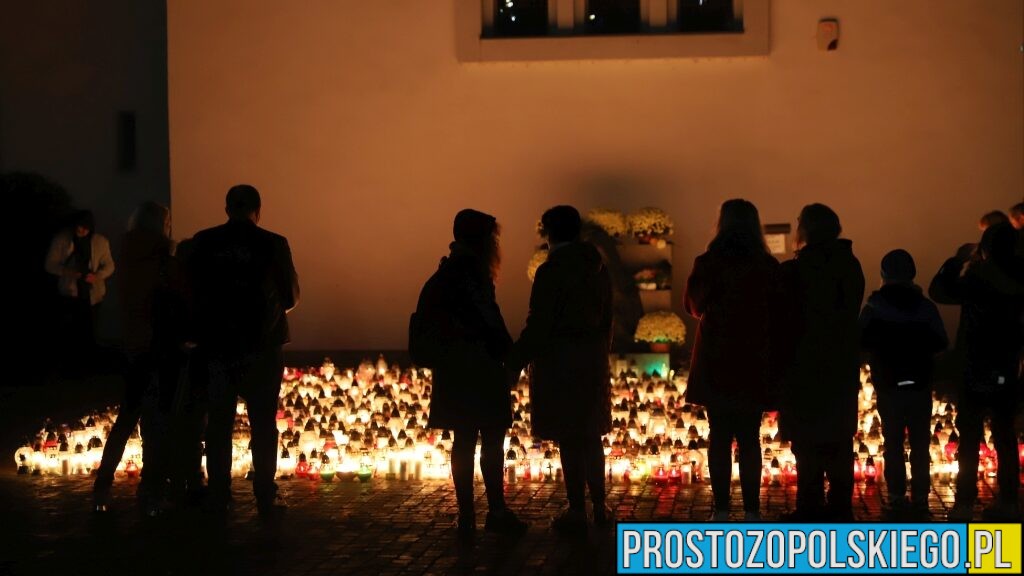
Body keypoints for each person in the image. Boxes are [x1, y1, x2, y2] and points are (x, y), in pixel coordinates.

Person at [413, 209, 526, 538]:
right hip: (480, 367)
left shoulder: (447, 271)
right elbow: (489, 319)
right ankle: (497, 511)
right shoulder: (472, 273)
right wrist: (512, 354)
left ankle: (466, 516)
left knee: (463, 441)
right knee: (492, 440)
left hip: (453, 369)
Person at [189, 185, 299, 518]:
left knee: (219, 423)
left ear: (226, 209)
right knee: (263, 423)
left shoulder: (204, 242)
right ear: (257, 210)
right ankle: (265, 492)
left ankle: (220, 493)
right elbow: (290, 296)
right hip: (262, 347)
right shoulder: (273, 244)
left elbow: (192, 291)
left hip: (217, 346)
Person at [510, 205, 614, 533]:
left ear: (549, 234)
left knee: (569, 438)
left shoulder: (551, 271)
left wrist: (516, 359)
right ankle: (600, 504)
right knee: (591, 435)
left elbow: (539, 323)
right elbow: (608, 318)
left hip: (559, 364)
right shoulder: (598, 269)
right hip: (592, 362)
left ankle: (576, 508)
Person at [684, 199, 779, 522]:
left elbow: (694, 306)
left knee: (720, 436)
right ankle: (752, 510)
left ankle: (722, 509)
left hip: (718, 357)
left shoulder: (709, 263)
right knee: (750, 437)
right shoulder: (767, 266)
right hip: (754, 357)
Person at [93, 202, 184, 515]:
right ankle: (151, 492)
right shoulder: (164, 262)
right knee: (156, 423)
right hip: (160, 349)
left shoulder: (128, 258)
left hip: (133, 348)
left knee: (127, 418)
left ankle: (102, 486)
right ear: (163, 225)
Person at [930, 222, 1024, 522]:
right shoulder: (1020, 276)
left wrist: (957, 260)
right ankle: (1009, 501)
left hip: (974, 366)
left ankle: (964, 503)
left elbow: (939, 291)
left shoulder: (977, 278)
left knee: (969, 438)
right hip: (1006, 366)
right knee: (1006, 436)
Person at [778, 203, 865, 521]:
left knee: (807, 443)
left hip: (804, 365)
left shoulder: (797, 270)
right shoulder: (850, 265)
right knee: (839, 440)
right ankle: (840, 506)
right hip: (840, 364)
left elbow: (784, 319)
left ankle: (809, 506)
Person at [859, 249, 947, 519]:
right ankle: (920, 497)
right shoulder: (925, 307)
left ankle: (896, 497)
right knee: (921, 443)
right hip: (919, 383)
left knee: (893, 442)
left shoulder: (874, 308)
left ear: (884, 274)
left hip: (888, 384)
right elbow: (941, 342)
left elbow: (860, 341)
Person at [44, 209, 115, 375]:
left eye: (84, 227)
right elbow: (49, 264)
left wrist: (97, 276)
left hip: (93, 295)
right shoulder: (63, 240)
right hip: (70, 295)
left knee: (90, 331)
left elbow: (109, 265)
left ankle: (88, 368)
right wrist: (69, 272)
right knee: (70, 333)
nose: (81, 230)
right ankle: (72, 368)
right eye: (78, 226)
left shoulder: (100, 242)